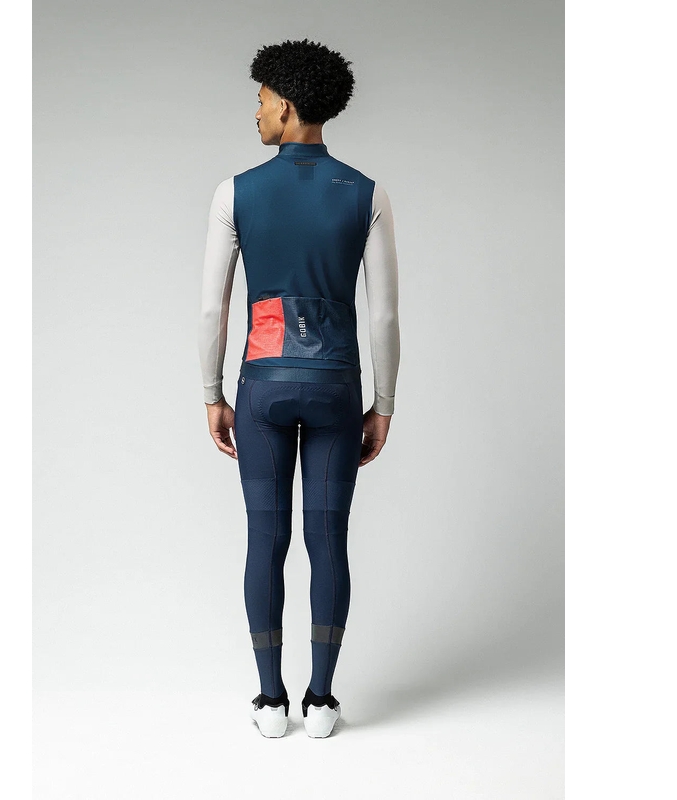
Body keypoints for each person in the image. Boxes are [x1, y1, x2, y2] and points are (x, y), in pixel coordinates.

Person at [197, 38, 400, 738]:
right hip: (337, 386)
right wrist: (384, 405)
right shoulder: (368, 193)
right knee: (328, 539)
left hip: (262, 388)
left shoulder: (235, 192)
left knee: (266, 538)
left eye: (260, 100)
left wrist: (211, 394)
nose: (255, 112)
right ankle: (321, 701)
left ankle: (269, 702)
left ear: (285, 105)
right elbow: (383, 313)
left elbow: (212, 308)